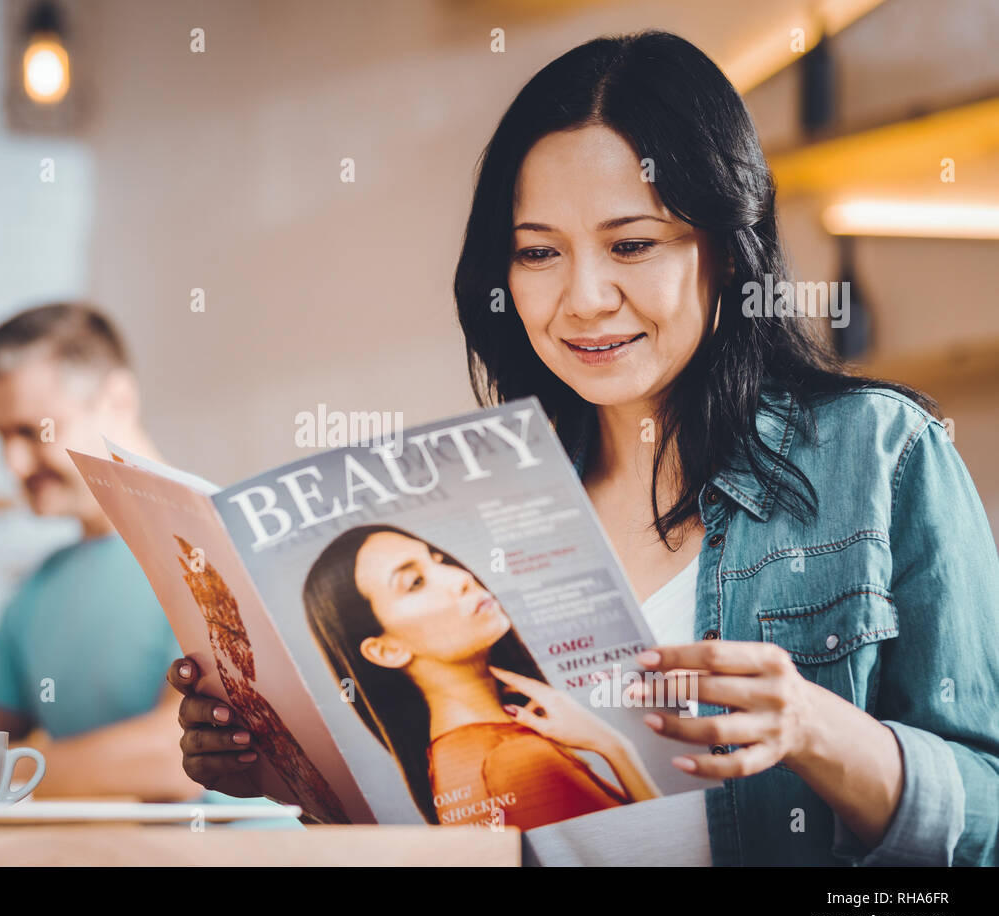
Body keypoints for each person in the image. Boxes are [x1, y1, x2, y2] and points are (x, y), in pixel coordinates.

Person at [169, 30, 999, 865]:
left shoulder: (882, 453)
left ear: (727, 249)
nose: (585, 300)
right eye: (538, 252)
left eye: (632, 244)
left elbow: (987, 818)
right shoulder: (481, 510)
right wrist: (297, 780)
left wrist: (818, 727)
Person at [0, 302, 196, 801]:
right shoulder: (39, 588)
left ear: (118, 400)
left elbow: (178, 759)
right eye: (0, 437)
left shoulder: (212, 549)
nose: (13, 464)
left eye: (32, 431)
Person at [302, 523, 661, 830]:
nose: (461, 578)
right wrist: (616, 747)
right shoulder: (515, 760)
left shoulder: (448, 759)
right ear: (386, 650)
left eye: (439, 560)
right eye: (415, 582)